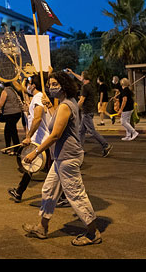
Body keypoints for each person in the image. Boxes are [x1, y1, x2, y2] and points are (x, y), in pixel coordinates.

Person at [21, 71, 102, 246]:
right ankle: (42, 228)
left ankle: (92, 233)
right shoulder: (65, 104)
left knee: (76, 195)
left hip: (67, 158)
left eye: (54, 84)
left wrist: (35, 152)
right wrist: (49, 107)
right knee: (49, 190)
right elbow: (55, 121)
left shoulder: (66, 106)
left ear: (64, 86)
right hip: (60, 158)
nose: (51, 88)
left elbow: (56, 134)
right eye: (49, 84)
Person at [8, 75, 52, 202]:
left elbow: (38, 118)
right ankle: (19, 192)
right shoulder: (37, 98)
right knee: (30, 165)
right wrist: (28, 110)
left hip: (43, 141)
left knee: (52, 170)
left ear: (33, 85)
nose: (27, 85)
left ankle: (63, 196)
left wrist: (28, 136)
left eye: (28, 83)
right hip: (39, 140)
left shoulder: (38, 97)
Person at [67, 69, 112, 157]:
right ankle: (79, 149)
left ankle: (105, 145)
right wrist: (72, 73)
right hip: (89, 111)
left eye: (82, 75)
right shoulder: (91, 85)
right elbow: (80, 78)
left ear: (84, 77)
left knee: (91, 131)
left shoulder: (85, 87)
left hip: (86, 111)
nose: (81, 77)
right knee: (81, 131)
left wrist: (75, 109)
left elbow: (82, 100)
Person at [0, 81, 23, 154]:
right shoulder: (13, 90)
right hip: (17, 113)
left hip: (10, 113)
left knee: (12, 131)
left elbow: (1, 103)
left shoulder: (5, 91)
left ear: (3, 84)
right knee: (7, 130)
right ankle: (8, 147)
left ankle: (17, 150)